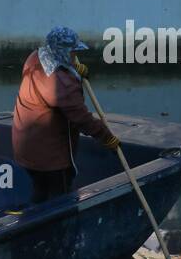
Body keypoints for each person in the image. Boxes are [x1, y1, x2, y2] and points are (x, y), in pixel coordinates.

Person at [13, 27, 119, 204]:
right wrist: (107, 138)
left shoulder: (35, 57)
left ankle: (36, 224)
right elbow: (81, 118)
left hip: (26, 149)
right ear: (62, 52)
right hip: (50, 157)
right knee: (59, 197)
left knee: (40, 189)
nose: (74, 56)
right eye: (72, 53)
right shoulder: (61, 84)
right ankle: (58, 229)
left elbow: (60, 68)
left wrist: (72, 69)